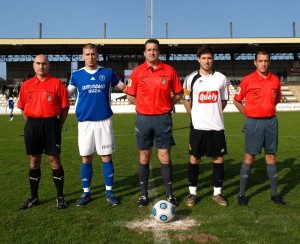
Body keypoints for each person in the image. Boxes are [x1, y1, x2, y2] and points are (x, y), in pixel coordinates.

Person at [67, 43, 126, 207]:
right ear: (83, 56)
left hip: (104, 122)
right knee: (86, 158)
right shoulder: (77, 75)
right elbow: (65, 94)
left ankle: (109, 192)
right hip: (85, 123)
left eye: (93, 54)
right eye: (87, 54)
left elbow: (124, 87)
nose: (90, 57)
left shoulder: (107, 73)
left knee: (106, 157)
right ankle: (86, 193)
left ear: (97, 55)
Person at [126, 39, 183, 207]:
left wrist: (166, 105)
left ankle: (170, 194)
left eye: (155, 49)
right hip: (143, 119)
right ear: (144, 53)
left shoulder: (169, 70)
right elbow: (130, 95)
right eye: (149, 49)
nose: (152, 52)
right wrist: (144, 106)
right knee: (144, 155)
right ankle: (143, 195)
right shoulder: (137, 72)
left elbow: (178, 93)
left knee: (164, 155)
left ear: (159, 52)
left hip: (163, 118)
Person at [17, 54, 69, 210]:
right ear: (33, 66)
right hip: (32, 125)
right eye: (38, 63)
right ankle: (34, 197)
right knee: (34, 160)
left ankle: (60, 197)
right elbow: (23, 108)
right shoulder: (26, 85)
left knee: (54, 159)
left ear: (49, 65)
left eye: (44, 63)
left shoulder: (57, 84)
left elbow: (64, 108)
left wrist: (57, 125)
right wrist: (32, 124)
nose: (41, 66)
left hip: (51, 124)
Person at [233, 50, 284, 206]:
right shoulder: (247, 80)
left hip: (271, 122)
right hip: (253, 123)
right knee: (249, 156)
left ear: (269, 62)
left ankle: (274, 194)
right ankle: (241, 194)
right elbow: (237, 101)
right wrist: (249, 115)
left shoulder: (275, 80)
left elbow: (276, 100)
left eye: (266, 60)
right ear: (255, 62)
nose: (263, 63)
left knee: (271, 157)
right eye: (260, 60)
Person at [182, 45, 229, 207]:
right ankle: (192, 194)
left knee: (218, 159)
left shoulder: (221, 78)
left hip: (216, 127)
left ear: (213, 59)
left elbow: (223, 101)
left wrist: (213, 113)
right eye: (204, 58)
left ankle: (217, 193)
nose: (207, 61)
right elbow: (185, 100)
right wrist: (194, 115)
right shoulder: (190, 79)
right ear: (198, 59)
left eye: (209, 58)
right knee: (194, 159)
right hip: (198, 127)